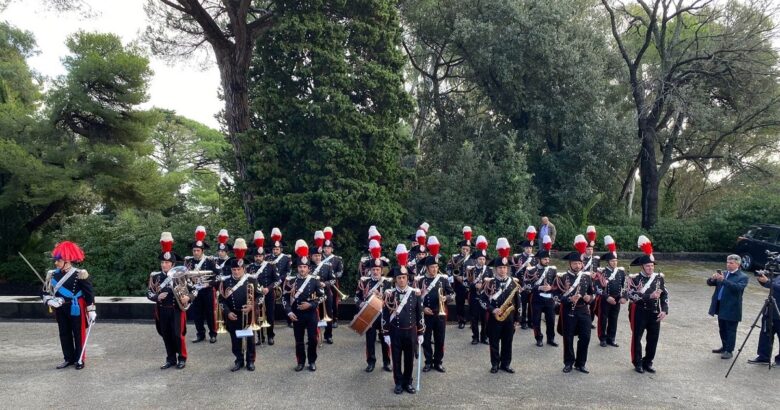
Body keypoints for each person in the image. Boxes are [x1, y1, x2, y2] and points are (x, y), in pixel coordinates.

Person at [42, 241, 96, 370]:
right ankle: (68, 358)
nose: (56, 263)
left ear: (67, 261)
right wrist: (49, 300)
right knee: (64, 333)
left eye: (58, 261)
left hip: (75, 307)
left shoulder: (80, 274)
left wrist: (91, 310)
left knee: (78, 333)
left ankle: (79, 359)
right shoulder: (52, 274)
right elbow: (44, 291)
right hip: (60, 308)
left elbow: (89, 293)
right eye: (55, 260)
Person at [282, 240, 325, 371]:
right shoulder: (290, 281)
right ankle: (300, 362)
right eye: (300, 267)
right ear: (297, 268)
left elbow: (323, 296)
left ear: (308, 268)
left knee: (312, 339)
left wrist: (311, 305)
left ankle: (312, 361)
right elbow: (284, 298)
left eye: (304, 267)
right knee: (299, 340)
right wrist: (289, 312)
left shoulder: (314, 280)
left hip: (311, 314)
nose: (302, 269)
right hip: (296, 314)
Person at [382, 264, 425, 394]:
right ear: (395, 279)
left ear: (408, 278)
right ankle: (398, 383)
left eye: (404, 277)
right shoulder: (389, 294)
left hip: (411, 331)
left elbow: (420, 314)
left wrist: (420, 332)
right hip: (395, 331)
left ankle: (408, 382)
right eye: (399, 277)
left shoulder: (415, 293)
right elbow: (385, 314)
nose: (402, 280)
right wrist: (386, 333)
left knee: (409, 359)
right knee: (396, 359)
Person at [219, 255, 266, 372]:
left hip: (249, 315)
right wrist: (227, 312)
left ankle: (250, 361)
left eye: (239, 269)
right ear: (231, 270)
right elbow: (221, 300)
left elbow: (261, 296)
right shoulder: (225, 282)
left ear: (243, 269)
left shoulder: (252, 280)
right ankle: (239, 360)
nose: (236, 272)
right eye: (234, 269)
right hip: (233, 315)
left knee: (250, 340)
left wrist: (252, 306)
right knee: (235, 340)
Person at [481, 243, 522, 374]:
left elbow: (518, 302)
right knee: (494, 343)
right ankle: (495, 364)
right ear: (495, 269)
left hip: (509, 318)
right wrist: (492, 309)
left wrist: (518, 319)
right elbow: (482, 300)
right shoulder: (490, 282)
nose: (503, 270)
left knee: (507, 342)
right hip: (495, 317)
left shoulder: (513, 283)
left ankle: (506, 364)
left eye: (505, 267)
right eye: (500, 268)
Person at [626, 251, 669, 374]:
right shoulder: (634, 279)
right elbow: (631, 295)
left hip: (655, 312)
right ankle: (637, 362)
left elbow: (665, 295)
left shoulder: (659, 278)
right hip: (639, 312)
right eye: (648, 266)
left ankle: (648, 362)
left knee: (653, 339)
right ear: (642, 267)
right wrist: (649, 296)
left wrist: (665, 310)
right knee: (637, 338)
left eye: (652, 266)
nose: (650, 268)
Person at [416, 252, 454, 372]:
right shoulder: (420, 280)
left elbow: (452, 293)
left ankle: (438, 362)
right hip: (426, 314)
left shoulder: (443, 279)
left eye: (437, 267)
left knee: (440, 339)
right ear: (427, 268)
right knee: (426, 339)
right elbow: (415, 300)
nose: (435, 269)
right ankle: (428, 362)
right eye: (432, 267)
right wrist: (422, 309)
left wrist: (446, 298)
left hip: (440, 314)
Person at [707, 254, 748, 359]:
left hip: (732, 307)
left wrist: (723, 280)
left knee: (731, 329)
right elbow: (710, 283)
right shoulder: (724, 274)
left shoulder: (742, 277)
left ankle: (729, 350)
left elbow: (737, 288)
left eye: (731, 263)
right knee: (722, 328)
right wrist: (712, 278)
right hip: (721, 305)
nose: (728, 265)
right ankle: (724, 347)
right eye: (727, 262)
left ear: (738, 264)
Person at [356, 256, 392, 372]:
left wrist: (382, 297)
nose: (375, 272)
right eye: (373, 270)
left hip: (383, 315)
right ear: (370, 270)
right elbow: (357, 298)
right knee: (370, 340)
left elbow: (393, 300)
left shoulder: (388, 282)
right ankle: (371, 362)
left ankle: (387, 362)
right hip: (369, 314)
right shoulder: (364, 281)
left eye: (378, 269)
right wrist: (361, 304)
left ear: (382, 270)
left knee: (385, 340)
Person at [185, 226, 218, 344]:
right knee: (197, 314)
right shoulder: (189, 261)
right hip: (194, 292)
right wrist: (190, 280)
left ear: (202, 251)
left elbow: (218, 276)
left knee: (210, 313)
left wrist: (209, 284)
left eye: (198, 250)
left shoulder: (209, 261)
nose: (195, 252)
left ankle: (213, 334)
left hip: (207, 291)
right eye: (194, 250)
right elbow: (184, 276)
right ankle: (200, 334)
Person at [246, 242, 279, 346]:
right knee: (257, 315)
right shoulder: (249, 267)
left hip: (268, 293)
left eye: (260, 256)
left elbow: (278, 280)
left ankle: (270, 336)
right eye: (256, 256)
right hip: (256, 294)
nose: (258, 258)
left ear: (264, 256)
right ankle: (260, 337)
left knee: (269, 315)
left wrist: (268, 288)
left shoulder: (271, 266)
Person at [594, 252, 627, 347]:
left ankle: (611, 338)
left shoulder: (621, 272)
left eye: (616, 261)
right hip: (605, 299)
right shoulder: (601, 272)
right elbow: (597, 287)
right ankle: (602, 338)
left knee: (614, 319)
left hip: (616, 299)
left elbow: (625, 286)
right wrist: (607, 297)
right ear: (608, 262)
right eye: (612, 261)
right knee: (603, 319)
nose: (615, 263)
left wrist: (624, 297)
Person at [527, 249, 559, 347]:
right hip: (537, 299)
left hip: (549, 299)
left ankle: (551, 338)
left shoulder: (552, 270)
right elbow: (527, 285)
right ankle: (538, 338)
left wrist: (551, 288)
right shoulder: (531, 270)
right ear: (539, 259)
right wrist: (539, 287)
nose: (547, 261)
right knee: (536, 320)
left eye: (548, 259)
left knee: (551, 320)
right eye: (545, 259)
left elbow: (557, 285)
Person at [748, 270, 780, 366]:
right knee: (765, 334)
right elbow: (770, 286)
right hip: (771, 309)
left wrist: (768, 282)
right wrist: (761, 280)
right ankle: (764, 357)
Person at [447, 227, 474, 329]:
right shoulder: (455, 258)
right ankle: (461, 320)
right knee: (460, 303)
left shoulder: (474, 259)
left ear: (470, 249)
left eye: (467, 249)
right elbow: (449, 269)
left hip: (471, 285)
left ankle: (473, 322)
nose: (465, 250)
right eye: (463, 248)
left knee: (473, 303)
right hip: (459, 284)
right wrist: (456, 277)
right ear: (460, 248)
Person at [310, 246, 336, 344]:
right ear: (311, 256)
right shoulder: (308, 267)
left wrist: (325, 284)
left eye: (319, 255)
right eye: (315, 256)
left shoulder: (327, 266)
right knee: (313, 316)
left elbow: (333, 279)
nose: (317, 257)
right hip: (313, 295)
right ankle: (313, 336)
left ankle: (328, 335)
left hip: (326, 293)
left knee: (328, 314)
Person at [469, 240, 492, 344]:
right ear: (476, 260)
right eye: (480, 259)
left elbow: (492, 282)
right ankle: (475, 337)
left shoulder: (488, 270)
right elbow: (466, 283)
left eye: (483, 259)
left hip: (485, 297)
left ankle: (484, 337)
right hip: (474, 296)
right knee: (474, 318)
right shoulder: (471, 270)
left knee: (485, 319)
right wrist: (474, 285)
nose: (482, 261)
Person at [512, 240, 535, 329]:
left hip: (532, 285)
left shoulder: (535, 258)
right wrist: (517, 285)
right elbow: (514, 272)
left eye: (530, 248)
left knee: (531, 304)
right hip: (521, 284)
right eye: (527, 248)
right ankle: (523, 321)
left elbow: (537, 273)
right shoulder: (518, 258)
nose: (529, 250)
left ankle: (530, 321)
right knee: (523, 304)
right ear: (524, 248)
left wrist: (531, 268)